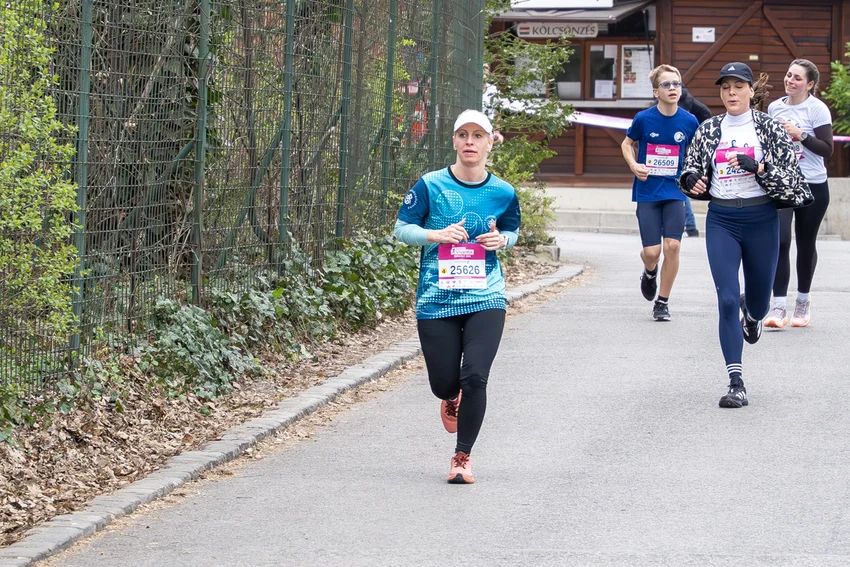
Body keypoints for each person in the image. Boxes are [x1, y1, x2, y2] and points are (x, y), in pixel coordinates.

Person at [393, 109, 520, 484]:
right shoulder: (430, 185)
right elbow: (402, 229)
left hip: (486, 296)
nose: (470, 142)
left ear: (488, 143)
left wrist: (503, 241)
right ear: (453, 141)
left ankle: (461, 457)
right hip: (437, 297)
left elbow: (512, 232)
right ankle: (451, 396)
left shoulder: (503, 192)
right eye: (463, 135)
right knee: (444, 383)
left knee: (475, 377)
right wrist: (435, 235)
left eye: (477, 136)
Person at [679, 62, 807, 408]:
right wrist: (691, 179)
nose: (731, 93)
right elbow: (690, 168)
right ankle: (736, 381)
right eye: (725, 88)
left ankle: (753, 316)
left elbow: (792, 178)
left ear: (751, 91)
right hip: (722, 218)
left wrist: (759, 167)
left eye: (738, 87)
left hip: (761, 218)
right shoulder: (708, 129)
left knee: (759, 302)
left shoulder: (768, 127)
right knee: (725, 299)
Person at [621, 64, 699, 321]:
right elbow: (627, 143)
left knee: (673, 246)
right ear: (656, 92)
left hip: (675, 190)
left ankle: (662, 302)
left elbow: (695, 154)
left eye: (676, 84)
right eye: (666, 85)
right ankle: (649, 271)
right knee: (653, 252)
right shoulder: (644, 119)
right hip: (647, 190)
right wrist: (634, 165)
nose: (673, 88)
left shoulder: (689, 121)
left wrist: (694, 175)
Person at [765, 59, 833, 328]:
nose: (790, 81)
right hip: (783, 183)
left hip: (813, 185)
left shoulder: (817, 109)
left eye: (797, 78)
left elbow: (827, 149)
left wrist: (800, 135)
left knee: (805, 244)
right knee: (780, 241)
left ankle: (803, 301)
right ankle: (778, 306)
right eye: (788, 75)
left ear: (810, 84)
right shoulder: (774, 107)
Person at [678, 86, 713, 237]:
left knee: (681, 183)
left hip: (684, 147)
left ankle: (691, 226)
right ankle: (690, 226)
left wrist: (696, 138)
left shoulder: (685, 103)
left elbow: (706, 114)